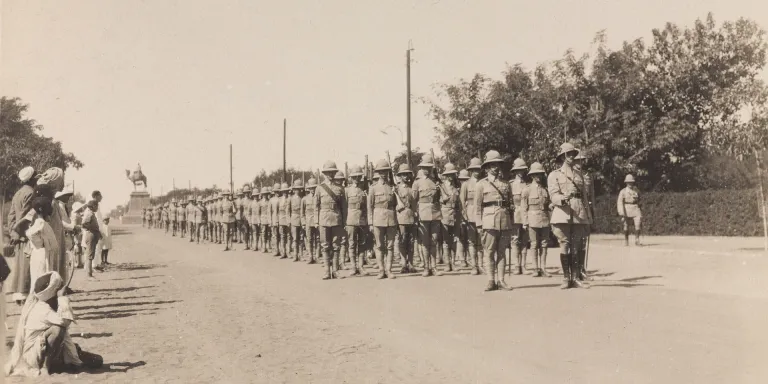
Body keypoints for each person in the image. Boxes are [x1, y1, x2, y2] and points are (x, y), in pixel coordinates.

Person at [5, 271, 103, 376]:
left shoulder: (47, 303)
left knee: (98, 360)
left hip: (44, 349)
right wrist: (62, 298)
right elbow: (64, 322)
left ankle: (64, 361)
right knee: (58, 330)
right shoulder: (43, 309)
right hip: (34, 356)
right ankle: (45, 367)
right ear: (53, 292)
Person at [548, 142, 591, 289]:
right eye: (568, 154)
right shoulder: (554, 175)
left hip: (578, 211)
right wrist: (562, 198)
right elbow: (553, 195)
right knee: (565, 244)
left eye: (573, 153)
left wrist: (588, 216)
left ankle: (576, 277)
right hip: (563, 212)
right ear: (562, 157)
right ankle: (566, 278)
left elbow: (585, 197)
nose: (572, 156)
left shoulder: (580, 175)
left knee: (576, 245)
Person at [475, 150, 515, 291]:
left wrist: (512, 223)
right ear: (487, 168)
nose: (495, 167)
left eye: (497, 164)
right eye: (492, 165)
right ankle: (491, 280)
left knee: (502, 251)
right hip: (488, 221)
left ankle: (501, 280)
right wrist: (479, 224)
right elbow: (478, 207)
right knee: (489, 251)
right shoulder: (481, 184)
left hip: (504, 220)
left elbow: (511, 205)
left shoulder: (506, 184)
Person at [7, 166, 37, 305]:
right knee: (26, 266)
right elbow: (25, 216)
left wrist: (14, 234)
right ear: (31, 178)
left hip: (18, 235)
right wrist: (23, 232)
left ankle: (18, 294)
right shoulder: (31, 193)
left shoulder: (17, 193)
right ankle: (24, 294)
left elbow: (11, 216)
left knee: (19, 266)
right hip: (26, 234)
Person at [315, 161, 347, 280]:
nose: (330, 174)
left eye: (332, 172)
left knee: (336, 245)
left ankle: (335, 270)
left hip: (336, 219)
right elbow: (316, 206)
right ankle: (326, 271)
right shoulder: (319, 188)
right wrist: (316, 221)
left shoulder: (340, 189)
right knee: (325, 246)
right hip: (323, 219)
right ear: (324, 174)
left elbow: (344, 207)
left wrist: (344, 221)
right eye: (328, 172)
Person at [412, 154, 442, 277]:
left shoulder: (436, 181)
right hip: (423, 213)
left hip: (435, 213)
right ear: (421, 168)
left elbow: (440, 198)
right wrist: (415, 214)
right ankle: (426, 267)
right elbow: (413, 200)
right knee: (425, 242)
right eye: (424, 167)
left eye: (428, 167)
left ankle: (434, 267)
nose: (426, 169)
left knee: (434, 241)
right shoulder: (417, 183)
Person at [368, 159, 399, 279]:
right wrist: (370, 222)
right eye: (381, 171)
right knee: (380, 245)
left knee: (390, 246)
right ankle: (381, 270)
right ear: (377, 173)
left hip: (391, 218)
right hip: (377, 219)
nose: (383, 174)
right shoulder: (373, 188)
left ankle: (389, 270)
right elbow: (369, 206)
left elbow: (396, 204)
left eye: (385, 171)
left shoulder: (392, 187)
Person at [521, 162, 552, 277]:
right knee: (534, 244)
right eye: (535, 174)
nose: (538, 176)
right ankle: (535, 268)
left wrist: (551, 207)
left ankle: (543, 267)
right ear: (531, 176)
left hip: (544, 219)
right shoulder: (527, 190)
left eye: (540, 174)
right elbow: (524, 208)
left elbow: (548, 205)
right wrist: (525, 222)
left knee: (544, 244)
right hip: (532, 219)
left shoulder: (545, 190)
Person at [460, 157, 483, 275]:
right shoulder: (466, 184)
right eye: (474, 169)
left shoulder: (484, 182)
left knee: (482, 241)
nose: (476, 172)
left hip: (482, 215)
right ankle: (474, 266)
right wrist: (464, 217)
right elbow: (462, 202)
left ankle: (481, 265)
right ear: (471, 170)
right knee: (472, 241)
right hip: (470, 215)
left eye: (478, 169)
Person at [344, 166, 368, 276]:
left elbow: (366, 207)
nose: (356, 179)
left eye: (358, 177)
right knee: (352, 244)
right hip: (351, 219)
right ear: (351, 178)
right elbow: (344, 207)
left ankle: (361, 267)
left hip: (362, 220)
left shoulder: (363, 191)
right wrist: (345, 221)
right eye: (354, 177)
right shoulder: (347, 191)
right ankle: (353, 267)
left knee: (362, 244)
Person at [509, 158, 530, 275]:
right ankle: (516, 266)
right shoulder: (510, 185)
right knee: (515, 240)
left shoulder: (528, 185)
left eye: (522, 170)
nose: (520, 172)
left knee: (525, 240)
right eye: (518, 170)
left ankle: (524, 265)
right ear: (515, 171)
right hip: (515, 215)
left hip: (526, 215)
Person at [439, 163, 460, 275]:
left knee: (455, 240)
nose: (451, 177)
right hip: (445, 214)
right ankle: (447, 264)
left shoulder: (456, 188)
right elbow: (438, 201)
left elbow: (458, 204)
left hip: (455, 215)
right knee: (446, 240)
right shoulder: (441, 187)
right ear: (445, 176)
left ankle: (454, 262)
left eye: (452, 174)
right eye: (449, 175)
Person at [395, 164, 417, 273]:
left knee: (411, 241)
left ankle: (411, 264)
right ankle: (404, 263)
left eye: (407, 174)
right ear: (400, 176)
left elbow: (414, 203)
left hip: (411, 217)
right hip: (401, 217)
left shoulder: (412, 187)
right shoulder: (397, 188)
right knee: (403, 241)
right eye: (403, 174)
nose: (406, 176)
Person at [617, 174, 642, 247]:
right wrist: (621, 213)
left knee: (638, 223)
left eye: (631, 182)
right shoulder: (623, 191)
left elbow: (640, 199)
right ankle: (626, 240)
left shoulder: (636, 190)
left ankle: (637, 240)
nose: (630, 183)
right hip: (626, 208)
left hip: (635, 208)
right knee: (626, 225)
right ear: (626, 183)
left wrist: (640, 205)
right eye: (628, 182)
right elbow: (619, 202)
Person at [81, 200, 102, 279]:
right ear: (93, 206)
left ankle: (89, 273)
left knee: (91, 255)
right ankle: (89, 275)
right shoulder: (89, 213)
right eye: (96, 206)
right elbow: (84, 224)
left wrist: (97, 232)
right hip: (91, 235)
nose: (97, 207)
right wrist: (92, 229)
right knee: (90, 256)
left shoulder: (91, 213)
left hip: (93, 234)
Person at [302, 179, 319, 264]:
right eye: (311, 188)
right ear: (308, 189)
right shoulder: (304, 199)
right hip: (308, 221)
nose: (312, 189)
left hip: (317, 221)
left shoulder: (318, 197)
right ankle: (310, 257)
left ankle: (317, 256)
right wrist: (303, 223)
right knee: (309, 239)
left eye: (314, 188)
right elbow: (302, 213)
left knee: (318, 239)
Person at [456, 169, 470, 267]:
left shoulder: (470, 188)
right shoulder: (456, 190)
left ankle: (468, 257)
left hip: (469, 215)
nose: (463, 181)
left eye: (465, 179)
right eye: (462, 179)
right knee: (461, 237)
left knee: (469, 237)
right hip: (459, 215)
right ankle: (462, 259)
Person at [289, 180, 305, 261]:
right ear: (294, 190)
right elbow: (288, 211)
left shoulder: (302, 198)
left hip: (301, 220)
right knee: (295, 238)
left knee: (301, 238)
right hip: (294, 219)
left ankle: (301, 255)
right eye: (296, 189)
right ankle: (295, 255)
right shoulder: (291, 199)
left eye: (299, 189)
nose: (298, 191)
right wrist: (289, 221)